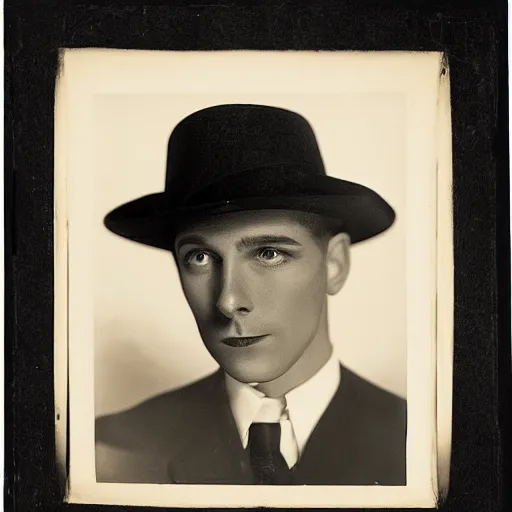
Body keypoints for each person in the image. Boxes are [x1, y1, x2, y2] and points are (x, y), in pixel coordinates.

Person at [95, 104, 406, 486]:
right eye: (200, 257)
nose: (228, 301)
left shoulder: (424, 446)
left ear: (335, 264)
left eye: (269, 253)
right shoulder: (107, 452)